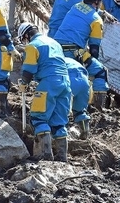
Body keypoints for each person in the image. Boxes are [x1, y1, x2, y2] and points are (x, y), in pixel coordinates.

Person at [17, 22, 72, 162]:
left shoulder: (32, 46)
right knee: (59, 122)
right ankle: (62, 158)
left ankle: (45, 156)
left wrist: (23, 84)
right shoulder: (54, 43)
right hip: (65, 83)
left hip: (48, 83)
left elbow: (29, 69)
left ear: (27, 35)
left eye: (24, 39)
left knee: (38, 118)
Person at [54, 0, 110, 111]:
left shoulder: (76, 7)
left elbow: (86, 12)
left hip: (56, 48)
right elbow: (94, 49)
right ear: (96, 1)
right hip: (73, 51)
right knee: (100, 71)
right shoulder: (96, 20)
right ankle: (99, 108)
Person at [64, 57, 91, 140]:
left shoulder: (57, 61)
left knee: (62, 109)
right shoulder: (71, 60)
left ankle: (63, 136)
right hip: (84, 81)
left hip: (70, 79)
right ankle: (84, 132)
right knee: (80, 110)